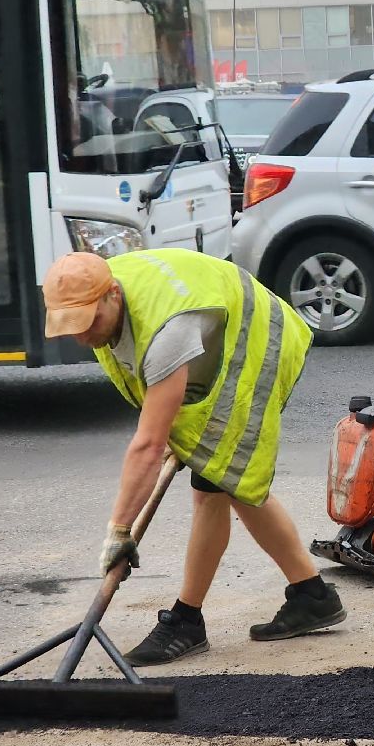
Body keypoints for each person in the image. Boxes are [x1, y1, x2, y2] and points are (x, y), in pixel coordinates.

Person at [42, 249, 346, 664]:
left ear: (112, 294)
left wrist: (119, 530)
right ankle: (312, 594)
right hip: (208, 341)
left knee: (219, 481)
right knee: (228, 485)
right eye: (71, 327)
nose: (82, 337)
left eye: (89, 322)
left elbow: (147, 446)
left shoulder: (167, 332)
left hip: (254, 341)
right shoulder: (103, 296)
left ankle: (187, 620)